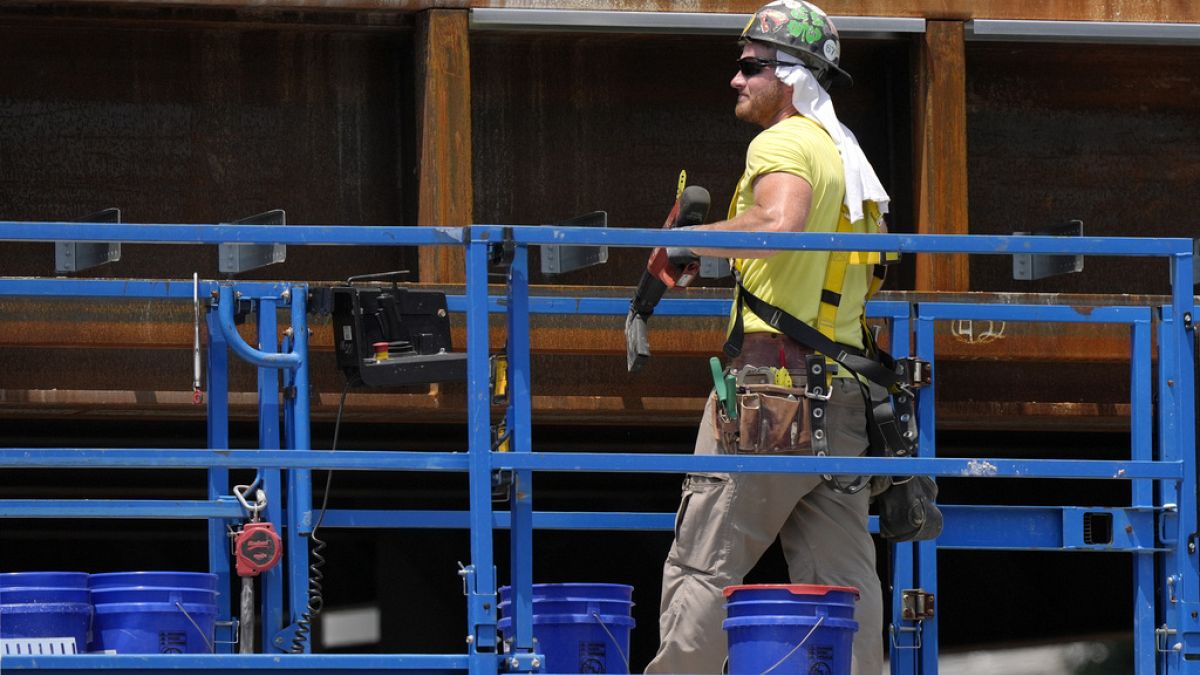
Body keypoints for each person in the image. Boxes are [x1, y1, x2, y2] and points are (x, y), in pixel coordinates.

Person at [643, 2, 889, 673]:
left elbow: (777, 225)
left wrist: (685, 241)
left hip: (768, 394)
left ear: (791, 75)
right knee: (845, 582)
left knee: (705, 561)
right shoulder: (845, 157)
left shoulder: (782, 143)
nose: (737, 78)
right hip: (843, 395)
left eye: (751, 66)